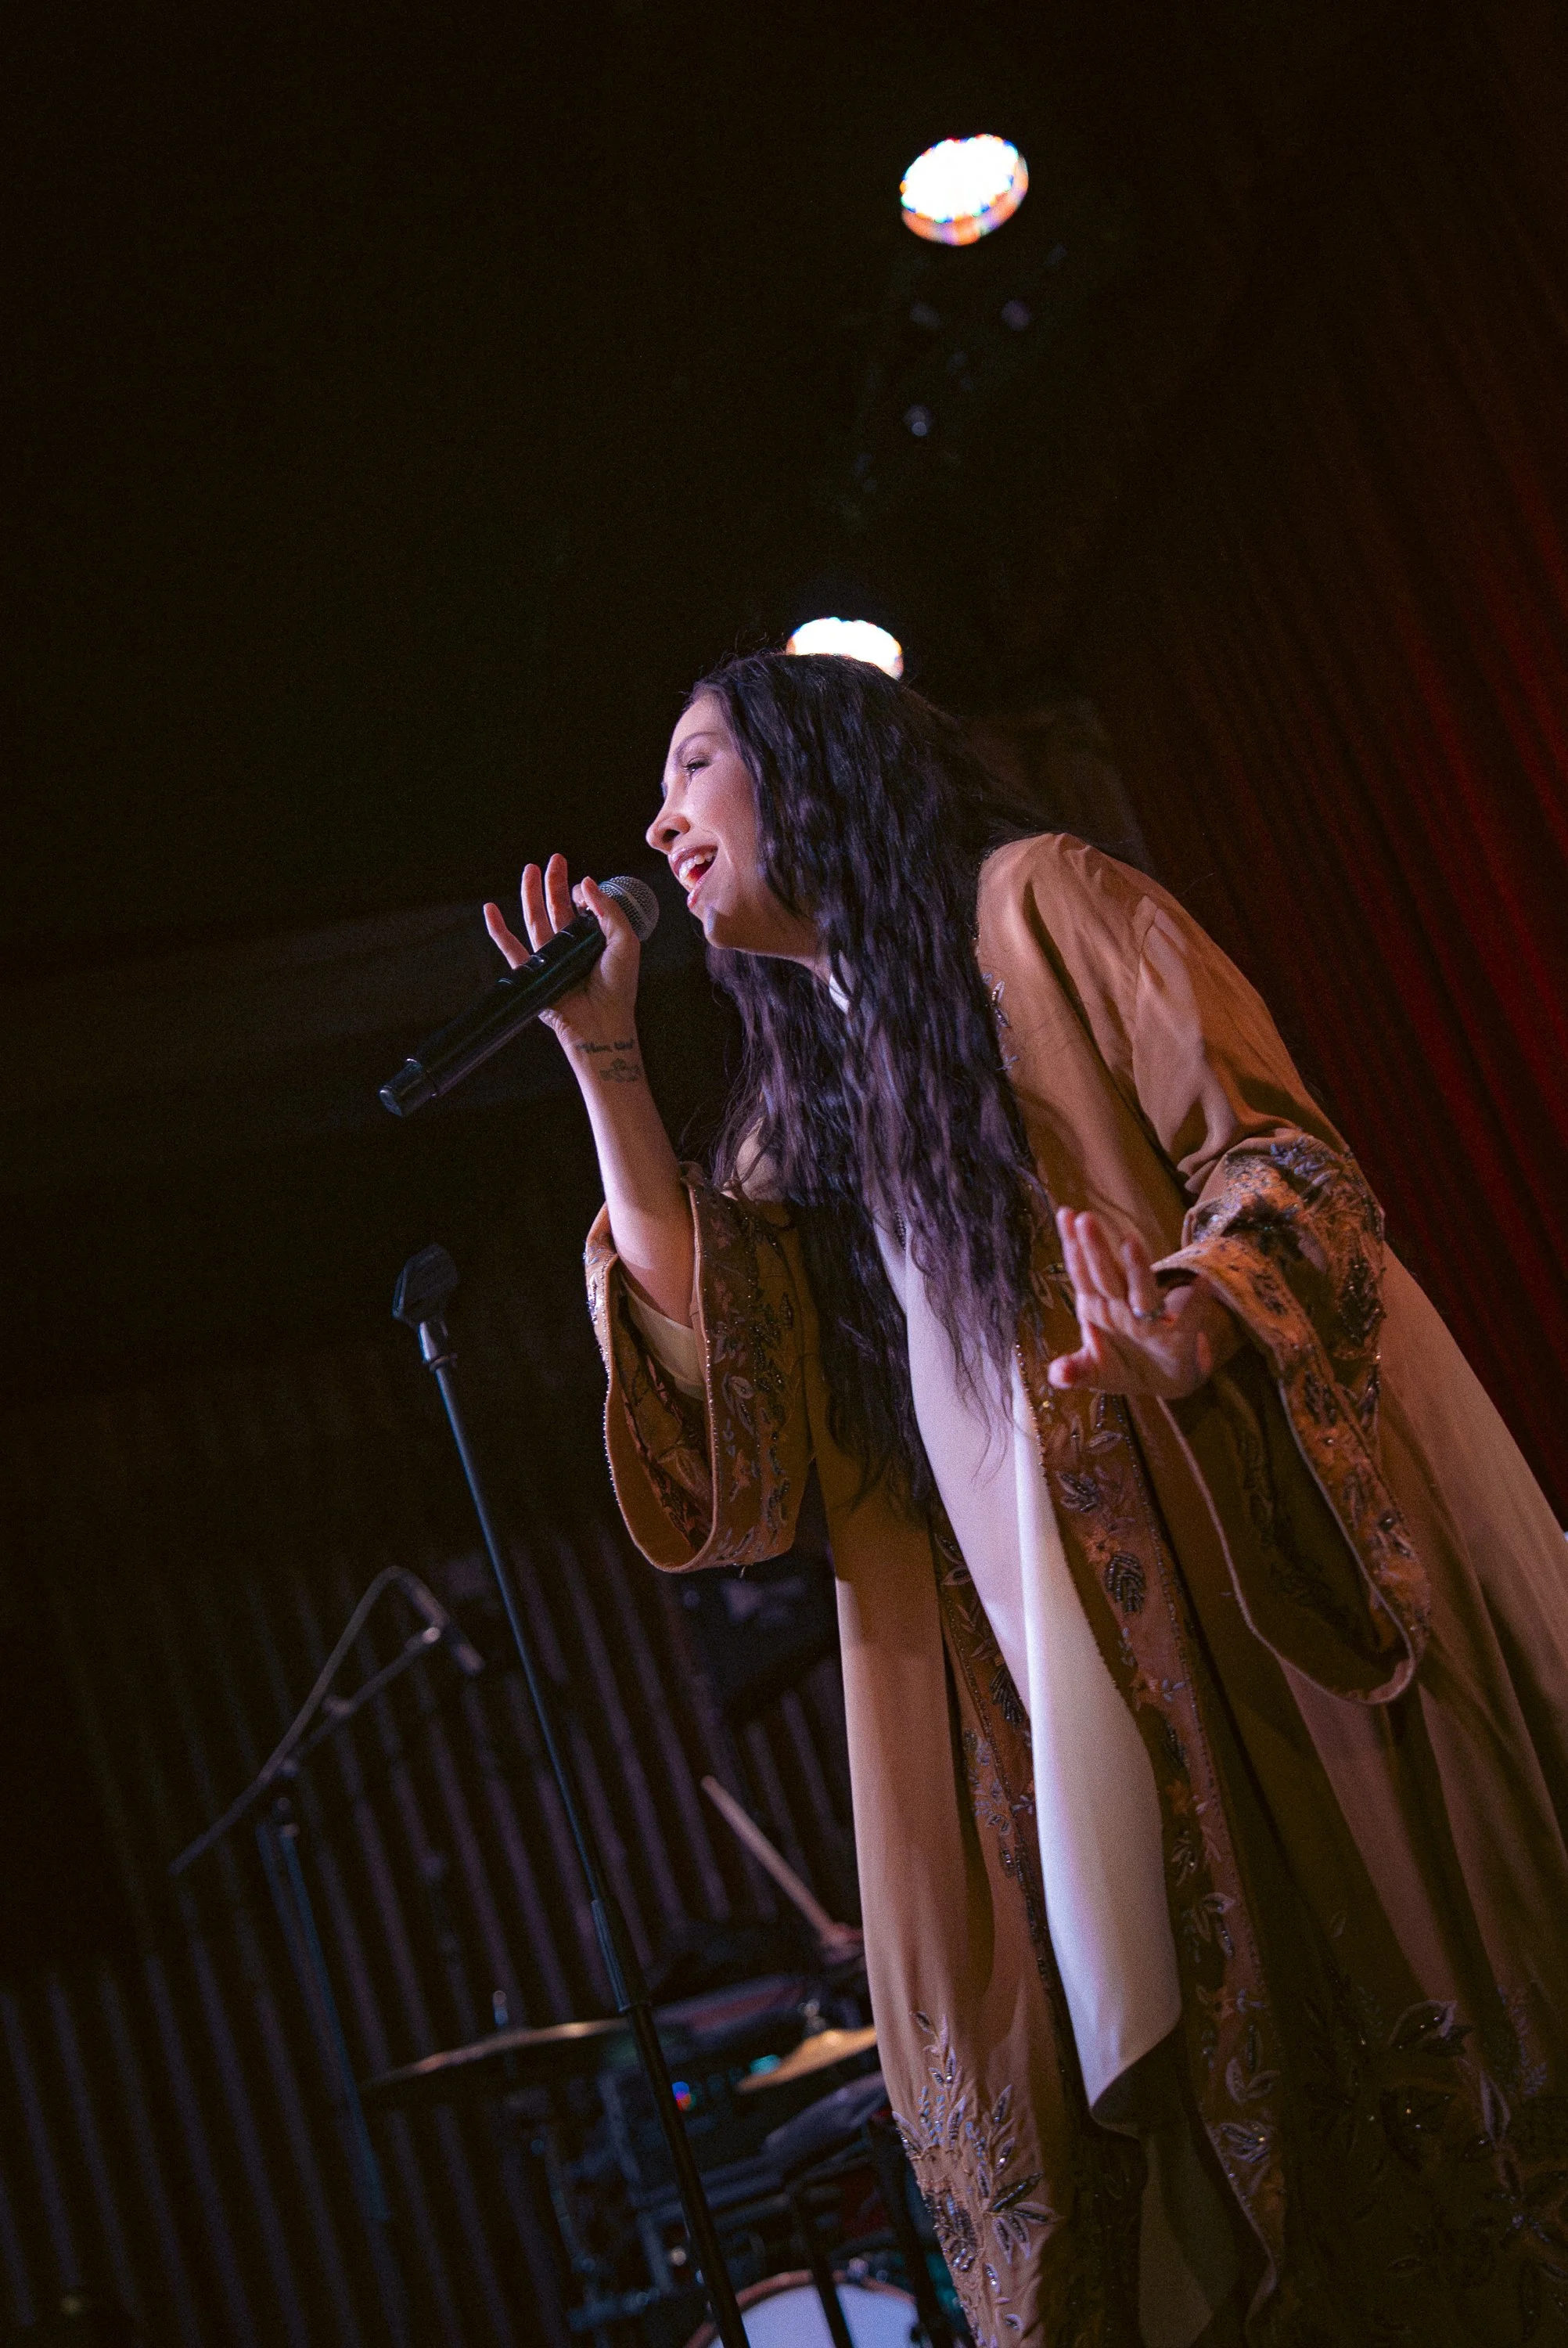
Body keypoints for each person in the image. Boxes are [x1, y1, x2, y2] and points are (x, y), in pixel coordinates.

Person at [484, 650, 1568, 2348]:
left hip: (1210, 1566)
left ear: (814, 767)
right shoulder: (802, 1093)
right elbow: (725, 1391)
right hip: (1017, 1672)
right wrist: (604, 1053)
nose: (659, 820)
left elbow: (1283, 1163)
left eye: (695, 764)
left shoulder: (1039, 908)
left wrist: (1194, 1315)